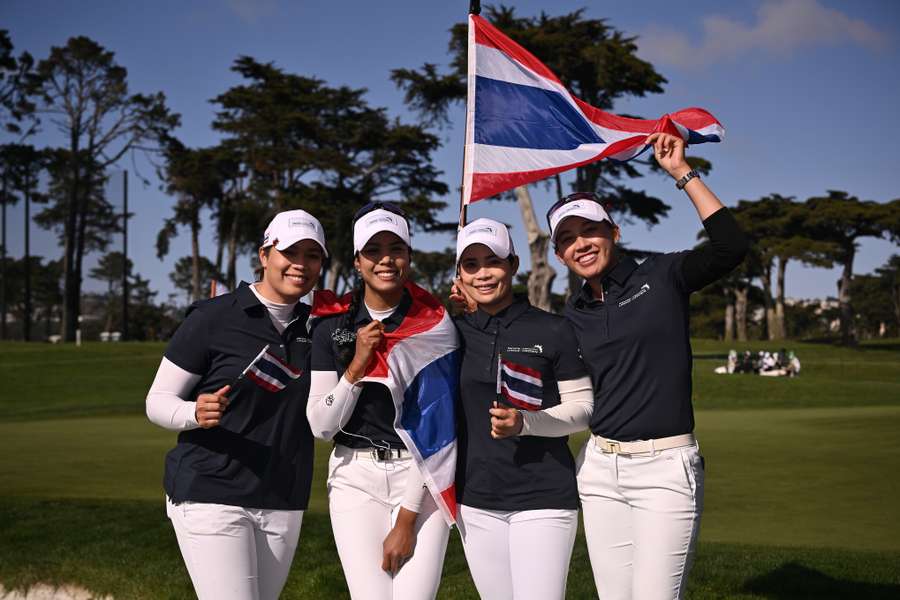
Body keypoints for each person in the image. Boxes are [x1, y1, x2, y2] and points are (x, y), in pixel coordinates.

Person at [548, 132, 749, 600]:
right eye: (567, 239)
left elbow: (731, 247)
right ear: (559, 255)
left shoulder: (661, 275)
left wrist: (682, 173)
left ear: (613, 233)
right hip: (599, 469)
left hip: (665, 469)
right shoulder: (574, 315)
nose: (581, 244)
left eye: (590, 231)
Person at [145, 209, 328, 600]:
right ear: (265, 255)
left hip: (283, 495)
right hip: (212, 490)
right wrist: (193, 412)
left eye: (312, 255)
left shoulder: (320, 327)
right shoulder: (213, 317)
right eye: (290, 251)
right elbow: (157, 401)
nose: (300, 264)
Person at [306, 202, 452, 600]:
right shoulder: (331, 326)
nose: (385, 259)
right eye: (373, 250)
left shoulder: (436, 325)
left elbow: (437, 431)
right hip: (354, 479)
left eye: (396, 248)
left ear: (409, 256)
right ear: (357, 261)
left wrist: (407, 519)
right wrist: (356, 365)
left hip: (419, 477)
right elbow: (321, 426)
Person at [451, 218, 594, 600]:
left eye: (493, 262)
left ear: (513, 265)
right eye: (471, 265)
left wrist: (525, 423)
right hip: (475, 500)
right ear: (459, 274)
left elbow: (583, 408)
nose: (483, 273)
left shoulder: (553, 329)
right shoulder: (451, 332)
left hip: (543, 497)